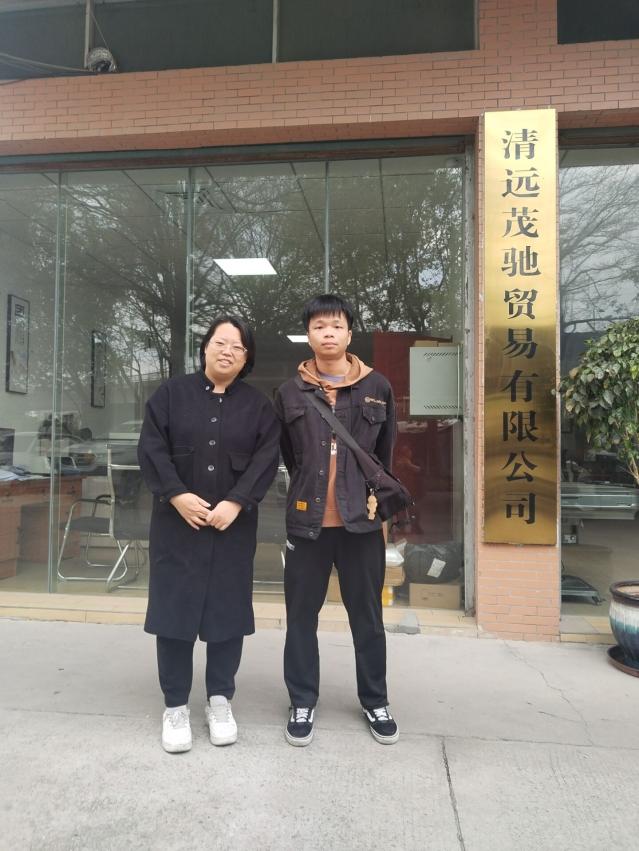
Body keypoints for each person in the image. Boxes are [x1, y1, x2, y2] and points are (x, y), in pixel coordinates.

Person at [138, 315, 280, 754]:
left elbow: (266, 459)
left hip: (231, 529)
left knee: (226, 616)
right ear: (204, 348)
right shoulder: (170, 395)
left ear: (246, 358)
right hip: (176, 526)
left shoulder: (259, 407)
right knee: (174, 615)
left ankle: (220, 699)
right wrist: (177, 495)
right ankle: (175, 705)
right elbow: (151, 448)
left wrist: (236, 502)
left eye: (238, 347)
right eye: (220, 343)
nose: (227, 352)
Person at [274, 294, 399, 746]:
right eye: (319, 326)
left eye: (336, 326)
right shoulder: (290, 393)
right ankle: (302, 699)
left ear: (349, 333)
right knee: (300, 618)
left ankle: (375, 700)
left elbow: (384, 458)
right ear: (308, 334)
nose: (328, 333)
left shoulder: (377, 386)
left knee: (367, 618)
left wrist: (377, 507)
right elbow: (290, 457)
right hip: (306, 525)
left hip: (360, 525)